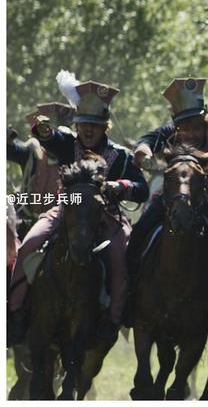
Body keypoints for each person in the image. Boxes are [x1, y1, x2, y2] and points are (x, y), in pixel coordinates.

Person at [7, 72, 149, 345]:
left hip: (106, 216)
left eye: (94, 125)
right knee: (29, 244)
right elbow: (47, 137)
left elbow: (141, 188)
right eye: (83, 123)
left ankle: (113, 319)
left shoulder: (121, 155)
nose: (87, 130)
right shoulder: (66, 143)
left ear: (105, 126)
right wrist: (44, 131)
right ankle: (15, 314)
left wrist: (120, 186)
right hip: (65, 210)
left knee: (121, 258)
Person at [125, 78, 208, 320]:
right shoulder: (173, 131)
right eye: (183, 126)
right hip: (177, 198)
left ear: (204, 118)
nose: (189, 132)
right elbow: (147, 140)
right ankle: (131, 299)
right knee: (139, 234)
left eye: (194, 125)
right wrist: (143, 150)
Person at [7, 103, 75, 222]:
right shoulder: (31, 152)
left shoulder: (73, 152)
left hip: (67, 218)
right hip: (29, 217)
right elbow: (13, 150)